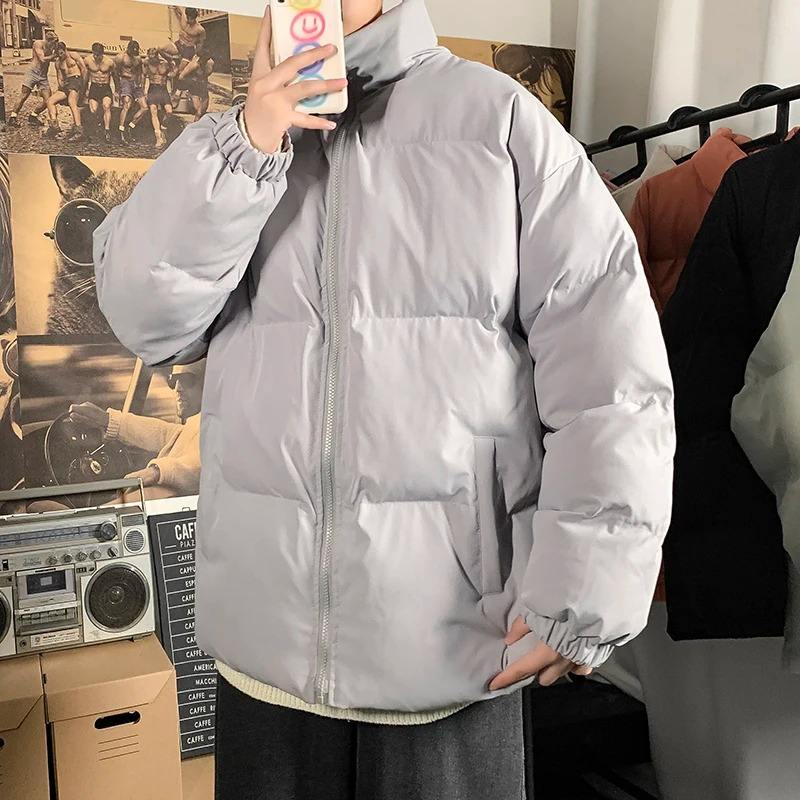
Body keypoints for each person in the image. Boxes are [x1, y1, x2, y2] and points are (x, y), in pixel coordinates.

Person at [93, 1, 675, 798]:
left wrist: (585, 591)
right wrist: (249, 141)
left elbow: (611, 379)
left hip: (450, 650)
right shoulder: (237, 144)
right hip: (266, 653)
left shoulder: (501, 125)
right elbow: (143, 317)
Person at [7, 29, 59, 127]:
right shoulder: (38, 44)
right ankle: (13, 117)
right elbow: (42, 59)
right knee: (24, 95)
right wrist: (54, 55)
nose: (54, 45)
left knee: (48, 100)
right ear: (48, 41)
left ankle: (33, 116)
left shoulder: (53, 47)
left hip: (43, 76)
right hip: (32, 73)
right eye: (53, 43)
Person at [45, 42, 86, 141]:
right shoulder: (58, 63)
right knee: (50, 101)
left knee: (72, 102)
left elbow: (84, 69)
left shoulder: (73, 55)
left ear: (65, 49)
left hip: (76, 80)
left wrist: (83, 86)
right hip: (66, 83)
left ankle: (79, 130)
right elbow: (59, 77)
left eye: (61, 53)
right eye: (58, 54)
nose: (60, 56)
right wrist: (60, 86)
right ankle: (54, 126)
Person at [115, 40, 148, 143]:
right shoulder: (121, 57)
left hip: (135, 83)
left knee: (144, 107)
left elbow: (141, 73)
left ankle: (130, 126)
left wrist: (142, 87)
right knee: (126, 105)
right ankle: (121, 131)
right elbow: (115, 73)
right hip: (125, 81)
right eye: (132, 51)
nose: (134, 53)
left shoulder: (138, 59)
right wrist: (117, 90)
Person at [83, 42, 116, 143]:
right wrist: (85, 91)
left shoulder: (109, 62)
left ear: (102, 53)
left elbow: (115, 77)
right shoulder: (87, 60)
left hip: (105, 88)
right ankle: (97, 127)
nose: (97, 57)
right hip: (94, 87)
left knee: (106, 106)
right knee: (93, 110)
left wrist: (117, 91)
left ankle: (107, 131)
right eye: (95, 55)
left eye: (99, 55)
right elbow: (85, 77)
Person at [143, 47, 174, 149]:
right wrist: (143, 91)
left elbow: (173, 75)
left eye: (153, 57)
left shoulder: (164, 63)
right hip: (152, 88)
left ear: (157, 56)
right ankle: (158, 137)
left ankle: (163, 128)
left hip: (163, 89)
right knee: (153, 110)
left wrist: (173, 91)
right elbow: (143, 76)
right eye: (150, 57)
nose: (152, 59)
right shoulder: (146, 63)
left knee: (169, 111)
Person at [178, 47, 214, 121]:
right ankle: (195, 125)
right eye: (203, 59)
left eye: (206, 59)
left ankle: (197, 124)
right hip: (194, 87)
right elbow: (181, 77)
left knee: (203, 111)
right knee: (199, 112)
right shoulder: (194, 65)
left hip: (203, 87)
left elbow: (207, 74)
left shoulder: (210, 63)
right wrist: (192, 81)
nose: (204, 60)